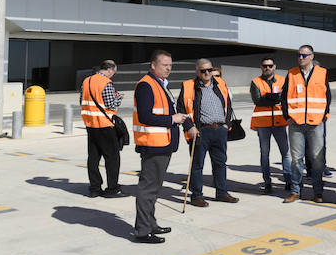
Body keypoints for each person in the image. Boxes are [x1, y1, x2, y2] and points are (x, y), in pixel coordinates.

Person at [132, 50, 196, 244]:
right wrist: (172, 120)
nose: (168, 68)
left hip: (163, 144)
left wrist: (186, 123)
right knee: (148, 188)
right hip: (153, 144)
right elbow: (145, 116)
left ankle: (150, 224)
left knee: (155, 188)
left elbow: (174, 111)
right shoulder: (146, 85)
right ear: (153, 65)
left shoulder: (161, 85)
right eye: (164, 65)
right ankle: (142, 231)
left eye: (170, 65)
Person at [177, 60, 238, 207]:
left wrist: (226, 124)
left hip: (219, 130)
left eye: (209, 70)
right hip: (200, 131)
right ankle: (196, 195)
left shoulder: (220, 84)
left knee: (220, 163)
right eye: (203, 71)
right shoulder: (188, 86)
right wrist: (189, 127)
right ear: (197, 72)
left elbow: (228, 105)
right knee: (197, 165)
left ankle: (222, 193)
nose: (207, 73)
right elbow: (180, 108)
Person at [280, 44, 331, 203]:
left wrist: (325, 115)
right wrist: (287, 116)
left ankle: (317, 191)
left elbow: (327, 96)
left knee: (317, 158)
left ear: (311, 57)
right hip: (296, 123)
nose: (300, 58)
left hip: (316, 122)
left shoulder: (322, 73)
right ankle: (296, 191)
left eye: (304, 55)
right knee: (296, 159)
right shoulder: (292, 73)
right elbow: (284, 98)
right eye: (299, 55)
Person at [80, 60, 124, 198]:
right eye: (114, 73)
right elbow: (111, 104)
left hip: (90, 124)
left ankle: (95, 188)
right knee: (112, 158)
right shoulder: (106, 83)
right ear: (110, 70)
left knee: (93, 158)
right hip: (105, 125)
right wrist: (119, 98)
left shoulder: (86, 81)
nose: (113, 76)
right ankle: (112, 188)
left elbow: (81, 100)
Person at [250, 56, 292, 194]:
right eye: (264, 66)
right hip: (263, 124)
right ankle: (267, 182)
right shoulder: (255, 82)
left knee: (286, 153)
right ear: (261, 67)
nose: (267, 68)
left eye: (270, 65)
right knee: (264, 154)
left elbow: (286, 97)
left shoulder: (282, 80)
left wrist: (268, 98)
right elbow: (258, 101)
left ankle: (288, 180)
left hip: (280, 122)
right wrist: (274, 98)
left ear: (274, 67)